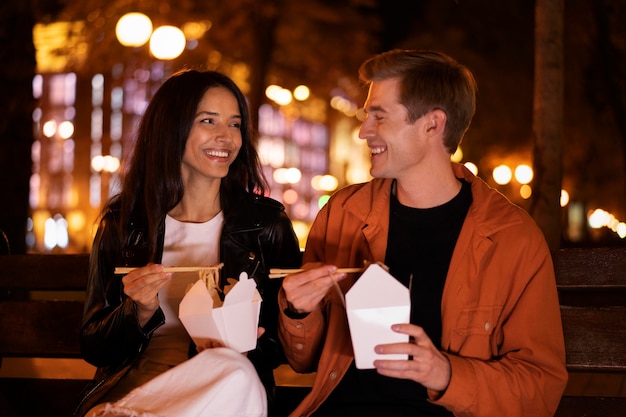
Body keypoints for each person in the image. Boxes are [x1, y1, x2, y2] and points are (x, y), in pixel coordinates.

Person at [277, 49, 568, 417]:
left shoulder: (511, 237)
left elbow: (539, 389)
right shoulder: (343, 214)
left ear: (433, 124)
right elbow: (305, 362)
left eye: (378, 117)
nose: (364, 131)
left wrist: (446, 374)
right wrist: (298, 312)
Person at [74, 69, 302, 417]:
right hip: (138, 393)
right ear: (171, 128)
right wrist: (137, 311)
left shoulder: (265, 226)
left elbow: (284, 347)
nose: (226, 137)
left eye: (235, 124)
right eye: (208, 121)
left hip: (224, 391)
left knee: (236, 372)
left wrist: (240, 342)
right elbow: (95, 346)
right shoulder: (125, 225)